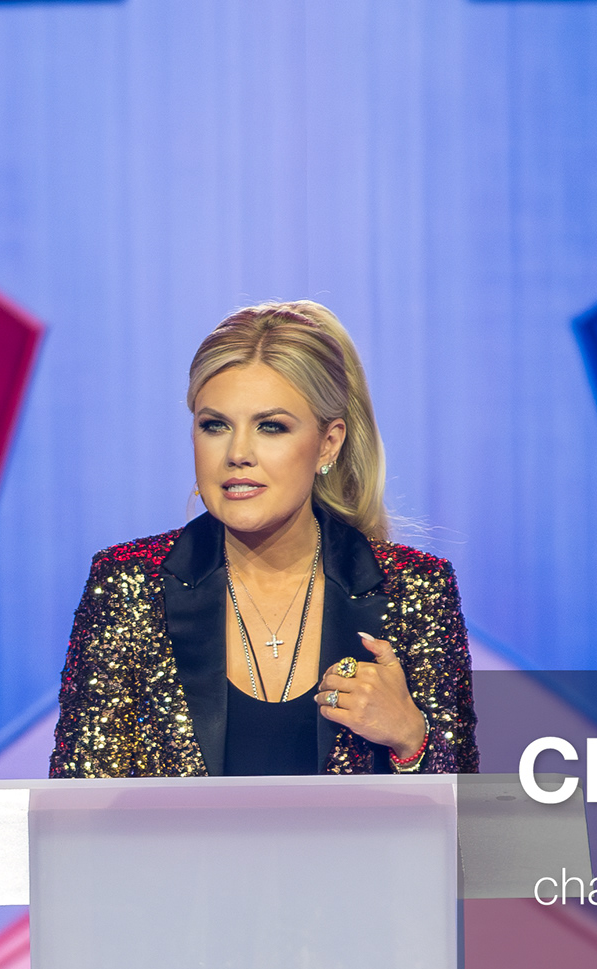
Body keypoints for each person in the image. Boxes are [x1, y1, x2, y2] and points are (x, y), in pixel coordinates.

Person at [50, 301, 474, 780]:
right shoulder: (128, 585)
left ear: (329, 443)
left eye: (271, 427)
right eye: (215, 426)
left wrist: (409, 739)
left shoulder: (414, 587)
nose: (237, 453)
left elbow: (467, 819)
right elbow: (78, 806)